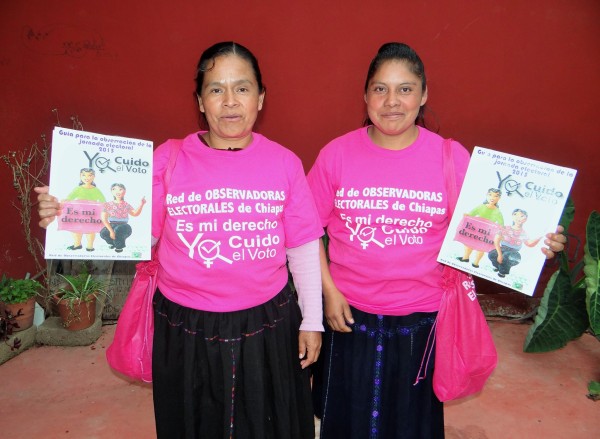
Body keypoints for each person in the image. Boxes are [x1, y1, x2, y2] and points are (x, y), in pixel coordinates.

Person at [35, 41, 323, 439]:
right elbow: (134, 232)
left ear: (261, 97)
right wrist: (65, 214)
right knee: (193, 424)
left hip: (268, 324)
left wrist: (311, 320)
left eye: (242, 88)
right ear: (200, 102)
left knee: (268, 424)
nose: (230, 101)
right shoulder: (168, 160)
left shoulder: (285, 163)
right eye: (215, 89)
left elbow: (303, 246)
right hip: (187, 327)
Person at [307, 42, 566, 438]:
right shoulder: (336, 155)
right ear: (365, 95)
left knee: (411, 426)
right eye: (380, 89)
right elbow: (306, 231)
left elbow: (486, 231)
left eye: (405, 89)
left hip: (422, 322)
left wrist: (536, 243)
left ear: (424, 95)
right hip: (349, 318)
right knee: (347, 422)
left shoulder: (451, 158)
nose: (392, 101)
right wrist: (327, 291)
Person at [457, 187, 504, 268]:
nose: (492, 198)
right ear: (486, 195)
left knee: (481, 248)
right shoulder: (481, 206)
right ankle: (465, 258)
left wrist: (500, 231)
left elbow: (501, 224)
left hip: (487, 233)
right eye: (490, 195)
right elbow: (472, 213)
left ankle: (476, 263)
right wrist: (467, 215)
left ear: (499, 198)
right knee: (469, 243)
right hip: (475, 229)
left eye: (496, 196)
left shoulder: (498, 212)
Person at [63, 167, 106, 252]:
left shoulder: (96, 190)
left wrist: (105, 209)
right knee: (76, 228)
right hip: (78, 212)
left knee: (91, 229)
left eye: (90, 175)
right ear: (80, 176)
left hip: (92, 213)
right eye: (84, 175)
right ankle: (77, 244)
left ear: (93, 177)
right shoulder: (78, 188)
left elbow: (103, 200)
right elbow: (69, 197)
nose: (87, 177)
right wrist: (64, 201)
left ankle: (90, 246)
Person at [489, 208, 541, 278]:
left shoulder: (523, 233)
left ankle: (502, 272)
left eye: (522, 216)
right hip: (503, 249)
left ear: (525, 219)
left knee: (507, 256)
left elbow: (529, 243)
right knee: (492, 254)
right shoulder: (505, 228)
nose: (518, 217)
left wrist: (540, 237)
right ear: (512, 216)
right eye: (515, 214)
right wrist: (499, 254)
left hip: (514, 252)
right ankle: (497, 266)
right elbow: (496, 240)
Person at [99, 183, 146, 253]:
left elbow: (135, 213)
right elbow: (104, 219)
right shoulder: (107, 205)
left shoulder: (126, 204)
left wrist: (141, 204)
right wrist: (111, 231)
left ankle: (119, 247)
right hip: (112, 224)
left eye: (120, 189)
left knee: (118, 230)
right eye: (114, 189)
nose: (117, 191)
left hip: (124, 226)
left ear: (125, 191)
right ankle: (113, 243)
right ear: (111, 191)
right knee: (103, 232)